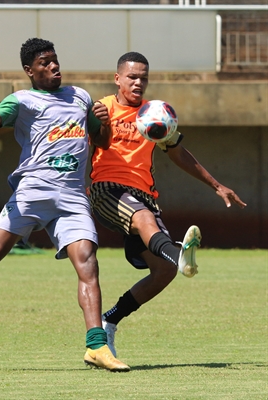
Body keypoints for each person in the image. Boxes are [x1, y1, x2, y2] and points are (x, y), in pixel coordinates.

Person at [0, 38, 130, 372]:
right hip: (33, 190)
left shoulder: (81, 96)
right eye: (44, 62)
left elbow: (100, 140)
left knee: (88, 263)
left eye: (55, 60)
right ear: (29, 70)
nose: (54, 66)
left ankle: (96, 346)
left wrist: (103, 120)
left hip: (71, 194)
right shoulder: (22, 101)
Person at [88, 51, 247, 357]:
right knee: (145, 220)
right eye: (132, 77)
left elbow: (177, 152)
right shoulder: (102, 107)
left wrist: (216, 185)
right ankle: (180, 253)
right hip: (106, 188)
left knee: (164, 271)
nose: (138, 82)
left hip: (143, 194)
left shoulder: (155, 114)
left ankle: (110, 321)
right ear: (117, 78)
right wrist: (93, 121)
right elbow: (90, 142)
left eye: (143, 77)